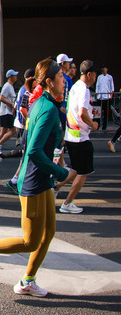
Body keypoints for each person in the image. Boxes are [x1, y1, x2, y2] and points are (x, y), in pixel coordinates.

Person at [0, 58, 76, 298]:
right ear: (49, 83)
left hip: (41, 178)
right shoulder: (46, 109)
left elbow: (28, 145)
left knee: (49, 233)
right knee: (30, 242)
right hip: (33, 180)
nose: (64, 81)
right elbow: (33, 150)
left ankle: (27, 281)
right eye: (60, 78)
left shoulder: (44, 104)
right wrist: (61, 172)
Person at [59, 60, 99, 214]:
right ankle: (67, 203)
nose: (95, 77)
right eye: (94, 73)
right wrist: (93, 125)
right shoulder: (84, 90)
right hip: (80, 137)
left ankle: (55, 187)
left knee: (75, 169)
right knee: (84, 172)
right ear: (89, 74)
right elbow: (82, 113)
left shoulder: (75, 86)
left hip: (71, 134)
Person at [0, 69, 19, 170]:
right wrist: (11, 104)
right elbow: (1, 97)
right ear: (10, 76)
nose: (16, 77)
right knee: (13, 131)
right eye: (15, 75)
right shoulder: (7, 86)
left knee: (3, 131)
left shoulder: (10, 86)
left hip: (7, 112)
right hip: (6, 112)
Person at [96, 66, 114, 131]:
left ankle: (104, 126)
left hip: (107, 97)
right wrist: (97, 93)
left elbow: (112, 86)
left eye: (105, 68)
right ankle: (97, 126)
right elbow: (97, 86)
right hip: (100, 97)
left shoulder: (110, 77)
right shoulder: (99, 77)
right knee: (98, 112)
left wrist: (111, 94)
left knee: (106, 112)